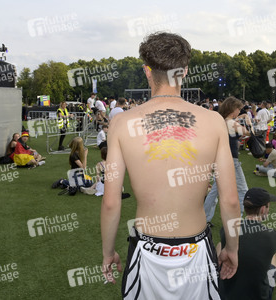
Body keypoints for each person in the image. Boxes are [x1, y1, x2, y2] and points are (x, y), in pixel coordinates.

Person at [101, 32, 240, 299]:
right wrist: (232, 248)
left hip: (146, 251)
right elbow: (230, 200)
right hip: (196, 249)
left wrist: (108, 252)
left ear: (147, 71)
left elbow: (110, 202)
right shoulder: (213, 122)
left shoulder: (121, 123)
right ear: (185, 71)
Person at [217, 188, 276, 300]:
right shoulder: (274, 236)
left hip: (226, 293)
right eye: (268, 206)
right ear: (262, 209)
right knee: (273, 255)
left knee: (219, 244)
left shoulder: (226, 230)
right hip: (258, 296)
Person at [204, 97, 250, 225]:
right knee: (243, 190)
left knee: (215, 192)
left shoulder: (221, 121)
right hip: (231, 160)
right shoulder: (231, 123)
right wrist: (246, 118)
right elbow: (249, 132)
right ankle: (238, 220)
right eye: (238, 109)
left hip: (220, 159)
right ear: (232, 109)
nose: (239, 112)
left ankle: (205, 218)